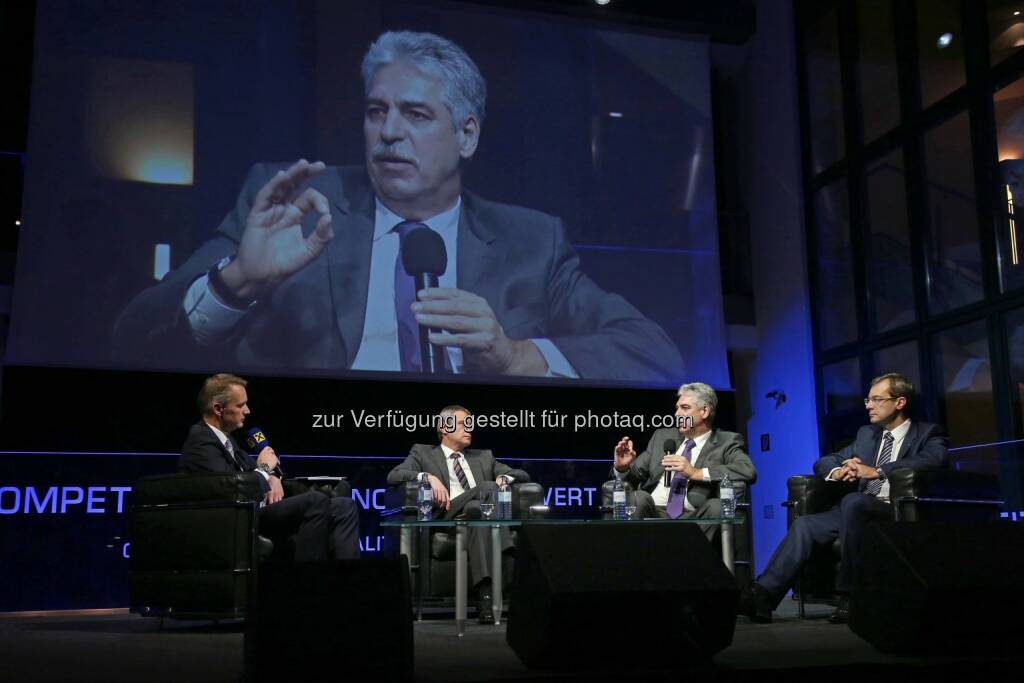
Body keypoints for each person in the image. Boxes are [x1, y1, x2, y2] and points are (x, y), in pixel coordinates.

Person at [111, 30, 683, 384]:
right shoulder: (298, 207)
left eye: (415, 115)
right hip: (319, 466)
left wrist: (515, 357)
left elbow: (654, 357)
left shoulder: (530, 241)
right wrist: (235, 284)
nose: (387, 133)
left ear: (467, 135)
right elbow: (131, 340)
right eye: (375, 111)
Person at [739, 372, 948, 624]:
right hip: (856, 510)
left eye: (876, 399)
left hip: (894, 509)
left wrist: (878, 471)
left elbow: (934, 459)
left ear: (899, 402)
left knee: (853, 502)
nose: (869, 406)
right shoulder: (867, 435)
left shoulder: (927, 433)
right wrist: (838, 470)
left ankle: (850, 595)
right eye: (867, 400)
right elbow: (824, 461)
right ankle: (763, 595)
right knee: (805, 524)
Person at [180, 373, 360, 560]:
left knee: (343, 505)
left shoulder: (229, 441)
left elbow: (260, 471)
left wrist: (273, 476)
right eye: (240, 405)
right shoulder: (200, 442)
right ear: (218, 409)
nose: (248, 411)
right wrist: (265, 468)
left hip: (257, 511)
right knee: (315, 501)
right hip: (237, 518)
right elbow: (233, 490)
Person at [387, 404, 529, 624]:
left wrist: (506, 478)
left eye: (471, 425)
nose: (469, 429)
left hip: (476, 515)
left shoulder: (483, 456)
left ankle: (485, 595)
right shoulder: (423, 452)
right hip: (445, 514)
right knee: (488, 488)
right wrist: (427, 477)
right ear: (444, 427)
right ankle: (508, 561)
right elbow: (394, 476)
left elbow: (521, 474)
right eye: (464, 424)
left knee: (476, 510)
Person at [610, 382, 756, 539]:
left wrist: (695, 473)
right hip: (654, 512)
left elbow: (747, 470)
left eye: (685, 408)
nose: (677, 414)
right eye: (677, 408)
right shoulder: (662, 438)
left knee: (716, 506)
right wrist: (622, 468)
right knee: (639, 497)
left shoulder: (726, 441)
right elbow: (632, 479)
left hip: (694, 517)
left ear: (704, 411)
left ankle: (684, 553)